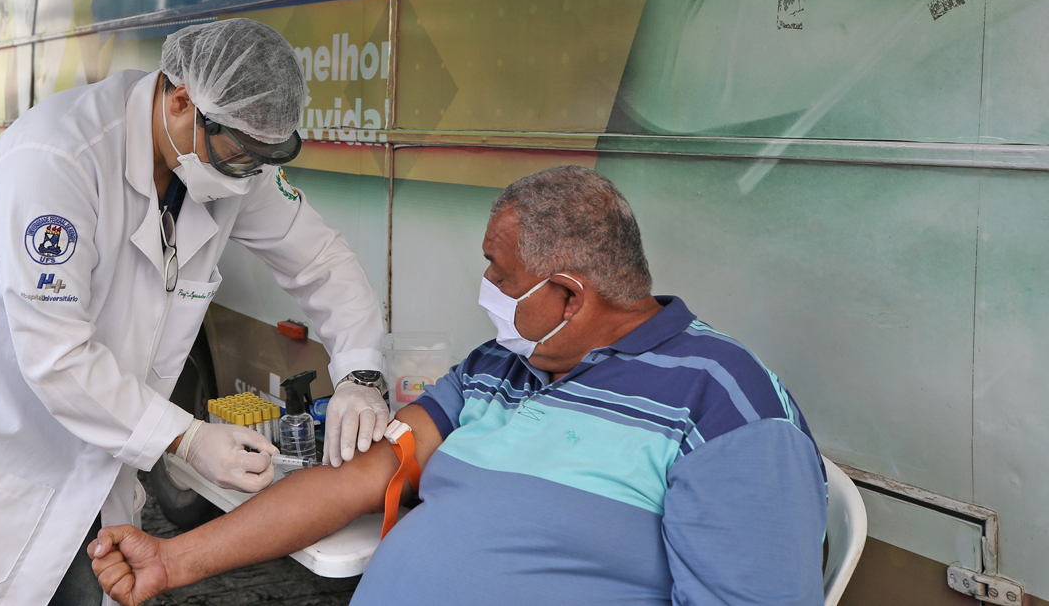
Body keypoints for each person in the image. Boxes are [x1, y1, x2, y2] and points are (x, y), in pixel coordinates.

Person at [88, 165, 829, 606]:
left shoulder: (726, 406)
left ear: (568, 297)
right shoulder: (498, 368)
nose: (484, 288)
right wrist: (175, 560)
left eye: (499, 274)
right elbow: (358, 480)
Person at [0, 18, 389, 606]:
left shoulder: (228, 159)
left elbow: (320, 259)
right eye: (241, 152)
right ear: (183, 99)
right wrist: (187, 438)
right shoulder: (58, 158)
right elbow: (55, 356)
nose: (247, 173)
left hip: (102, 460)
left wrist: (361, 375)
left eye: (261, 158)